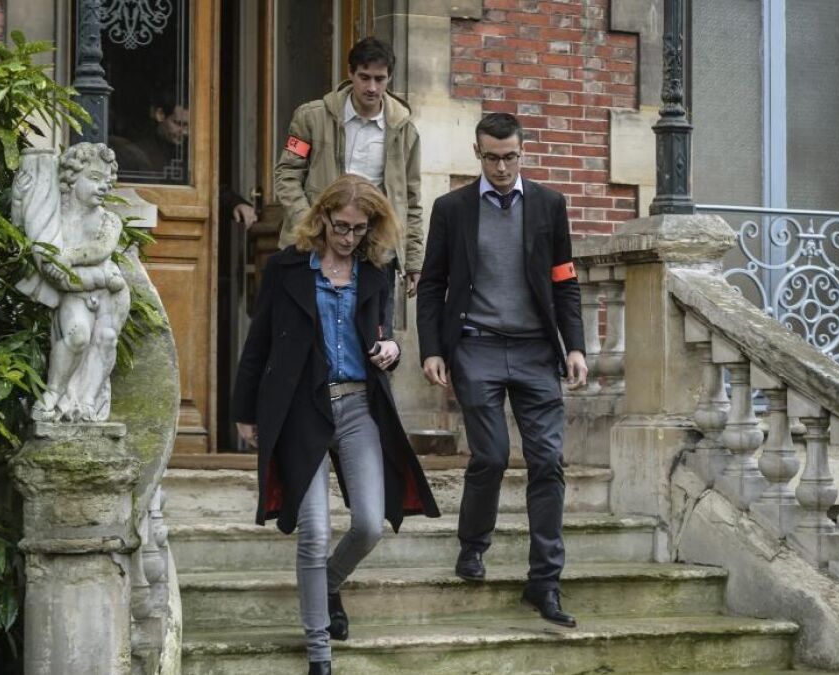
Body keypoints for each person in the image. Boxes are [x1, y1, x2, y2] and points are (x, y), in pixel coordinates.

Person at [232, 174, 440, 675]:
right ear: (322, 217)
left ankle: (325, 584)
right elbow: (259, 343)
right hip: (302, 409)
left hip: (358, 406)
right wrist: (245, 412)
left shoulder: (376, 272)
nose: (348, 237)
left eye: (359, 228)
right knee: (314, 530)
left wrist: (391, 350)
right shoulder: (286, 268)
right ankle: (319, 651)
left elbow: (384, 337)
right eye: (341, 226)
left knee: (368, 524)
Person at [416, 112, 588, 628]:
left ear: (522, 152)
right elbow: (432, 284)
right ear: (478, 153)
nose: (502, 167)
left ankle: (545, 582)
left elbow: (564, 281)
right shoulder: (451, 209)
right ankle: (473, 544)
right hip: (477, 347)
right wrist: (432, 349)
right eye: (492, 158)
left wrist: (575, 346)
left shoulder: (549, 205)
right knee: (490, 455)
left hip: (536, 351)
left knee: (547, 462)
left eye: (510, 157)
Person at [274, 36, 422, 308]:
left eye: (380, 79)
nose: (372, 87)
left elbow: (411, 200)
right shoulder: (311, 117)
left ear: (389, 78)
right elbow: (286, 175)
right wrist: (310, 223)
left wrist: (413, 260)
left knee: (374, 332)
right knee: (309, 325)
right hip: (316, 245)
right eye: (364, 77)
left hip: (376, 251)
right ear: (350, 73)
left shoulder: (405, 131)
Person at [11, 143, 131, 422]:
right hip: (80, 291)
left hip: (110, 295)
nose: (103, 187)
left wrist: (68, 256)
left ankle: (87, 401)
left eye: (107, 181)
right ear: (71, 178)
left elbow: (101, 248)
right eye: (94, 178)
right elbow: (25, 235)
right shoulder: (54, 220)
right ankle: (54, 392)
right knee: (77, 336)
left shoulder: (110, 221)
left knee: (106, 339)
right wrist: (19, 200)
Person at [111, 91, 258, 227]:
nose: (185, 132)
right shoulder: (136, 152)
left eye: (189, 126)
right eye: (179, 124)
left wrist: (236, 204)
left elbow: (209, 187)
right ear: (160, 115)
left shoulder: (192, 151)